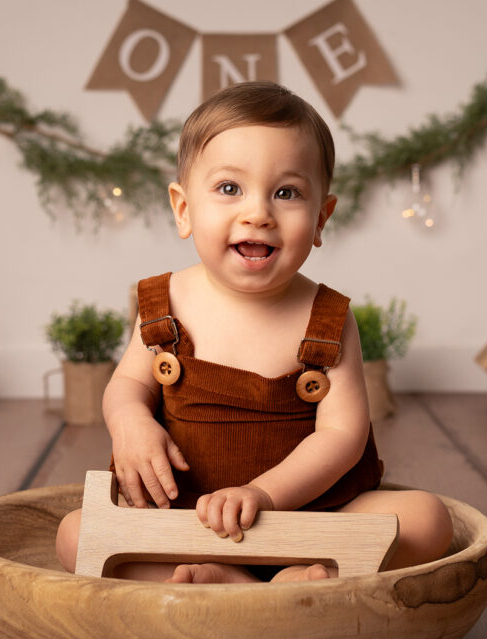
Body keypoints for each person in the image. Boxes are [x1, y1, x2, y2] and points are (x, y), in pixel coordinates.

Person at [56, 81, 452, 583]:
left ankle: (287, 577)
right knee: (76, 534)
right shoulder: (164, 305)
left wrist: (264, 496)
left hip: (306, 522)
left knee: (425, 519)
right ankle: (226, 581)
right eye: (229, 189)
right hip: (185, 526)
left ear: (320, 219)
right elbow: (128, 386)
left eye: (286, 192)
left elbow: (343, 436)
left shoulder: (327, 317)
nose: (258, 213)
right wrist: (131, 424)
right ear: (183, 209)